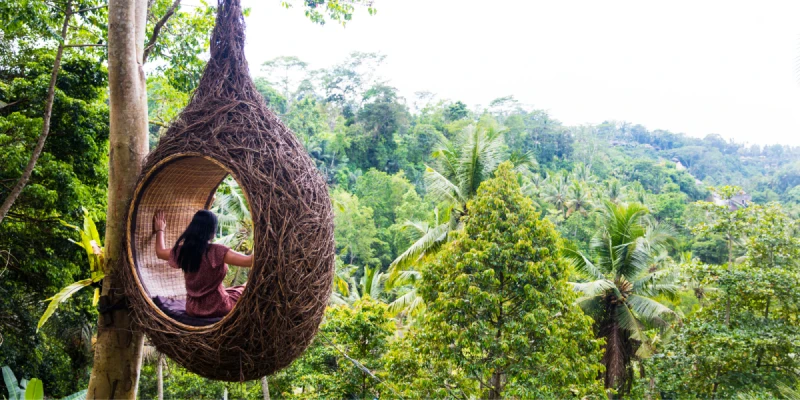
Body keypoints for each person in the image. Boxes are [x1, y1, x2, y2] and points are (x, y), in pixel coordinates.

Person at [153, 209, 252, 318]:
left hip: (193, 308)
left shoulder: (184, 252)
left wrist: (160, 230)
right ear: (212, 231)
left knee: (232, 290)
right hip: (218, 307)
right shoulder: (217, 251)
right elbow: (249, 261)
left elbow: (160, 252)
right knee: (243, 288)